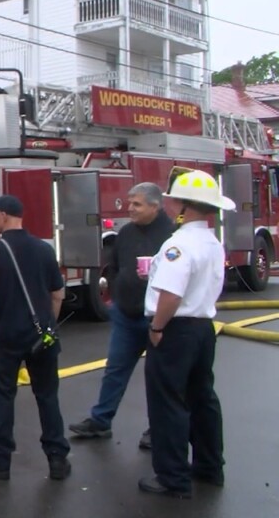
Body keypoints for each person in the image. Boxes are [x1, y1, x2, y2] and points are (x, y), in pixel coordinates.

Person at [138, 170, 229, 498]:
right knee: (203, 398)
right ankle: (209, 466)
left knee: (168, 403)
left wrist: (157, 327)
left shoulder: (177, 245)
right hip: (203, 328)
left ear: (183, 206)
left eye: (174, 200)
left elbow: (171, 295)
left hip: (176, 329)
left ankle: (172, 478)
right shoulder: (212, 242)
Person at [0, 195, 70, 482]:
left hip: (5, 336)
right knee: (47, 396)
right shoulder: (43, 249)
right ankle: (58, 459)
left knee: (2, 396)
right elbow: (57, 294)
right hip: (42, 338)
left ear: (3, 216)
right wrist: (47, 325)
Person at [69, 182, 173, 448]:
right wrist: (117, 296)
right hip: (126, 316)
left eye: (136, 204)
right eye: (129, 203)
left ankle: (157, 429)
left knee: (158, 377)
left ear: (155, 205)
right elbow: (113, 267)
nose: (130, 209)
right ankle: (100, 421)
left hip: (156, 319)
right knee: (115, 369)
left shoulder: (171, 235)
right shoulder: (126, 233)